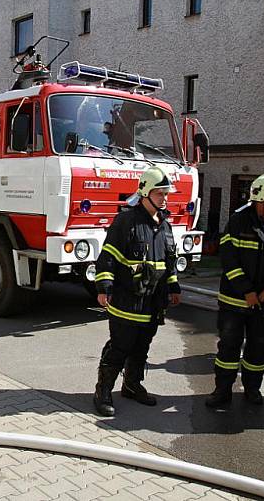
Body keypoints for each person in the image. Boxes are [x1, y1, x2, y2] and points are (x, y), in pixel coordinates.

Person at [92, 166, 181, 417]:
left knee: (142, 347)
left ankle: (132, 385)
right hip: (126, 301)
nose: (165, 198)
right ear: (145, 193)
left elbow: (169, 261)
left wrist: (173, 286)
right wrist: (104, 288)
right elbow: (108, 257)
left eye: (166, 194)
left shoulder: (164, 225)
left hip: (152, 303)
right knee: (120, 347)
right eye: (160, 193)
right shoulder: (126, 221)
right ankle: (103, 391)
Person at [206, 173, 264, 408]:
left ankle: (252, 389)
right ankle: (222, 390)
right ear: (260, 197)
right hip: (234, 302)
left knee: (258, 350)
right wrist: (246, 291)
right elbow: (229, 260)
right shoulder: (238, 222)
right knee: (228, 348)